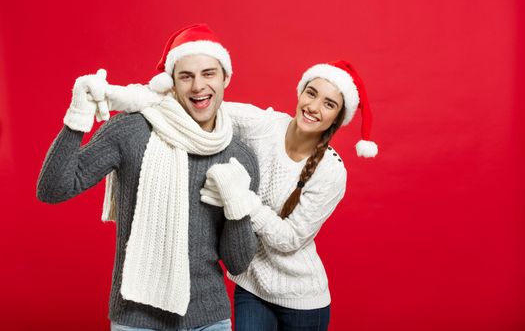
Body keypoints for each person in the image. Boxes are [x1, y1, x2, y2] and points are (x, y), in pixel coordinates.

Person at [108, 59, 378, 331]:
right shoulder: (265, 126)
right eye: (311, 93)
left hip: (302, 300)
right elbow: (203, 104)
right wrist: (127, 97)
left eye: (329, 104)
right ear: (300, 93)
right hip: (251, 287)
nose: (314, 107)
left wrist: (243, 200)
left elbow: (290, 239)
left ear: (338, 117)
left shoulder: (331, 171)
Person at [36, 24, 260, 331]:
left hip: (210, 320)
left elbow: (238, 263)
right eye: (186, 76)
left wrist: (237, 208)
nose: (198, 86)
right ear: (171, 82)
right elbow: (53, 188)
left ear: (225, 78)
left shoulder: (240, 157)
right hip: (137, 320)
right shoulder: (132, 132)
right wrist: (77, 116)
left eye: (208, 73)